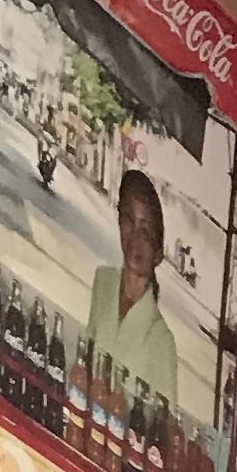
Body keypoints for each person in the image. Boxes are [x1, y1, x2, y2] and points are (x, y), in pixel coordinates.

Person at [87, 168, 185, 439]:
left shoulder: (162, 340)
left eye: (146, 231)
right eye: (128, 221)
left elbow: (163, 431)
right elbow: (86, 359)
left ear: (158, 253)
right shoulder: (103, 282)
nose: (135, 239)